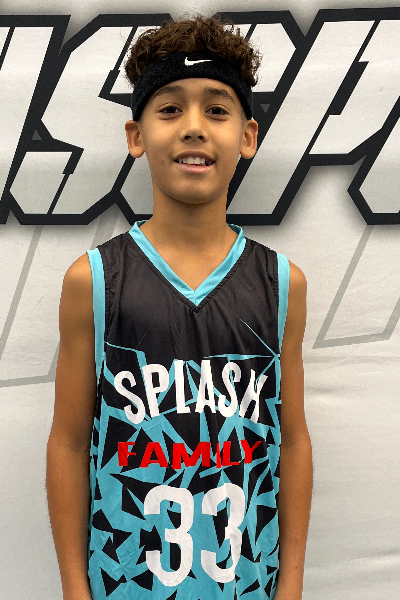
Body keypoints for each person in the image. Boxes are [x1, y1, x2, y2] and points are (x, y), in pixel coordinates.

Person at [46, 14, 313, 600]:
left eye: (216, 109)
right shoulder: (94, 281)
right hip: (125, 587)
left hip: (247, 586)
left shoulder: (281, 283)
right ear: (136, 135)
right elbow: (68, 442)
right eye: (170, 109)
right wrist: (74, 588)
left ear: (247, 136)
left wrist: (291, 581)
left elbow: (291, 441)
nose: (193, 127)